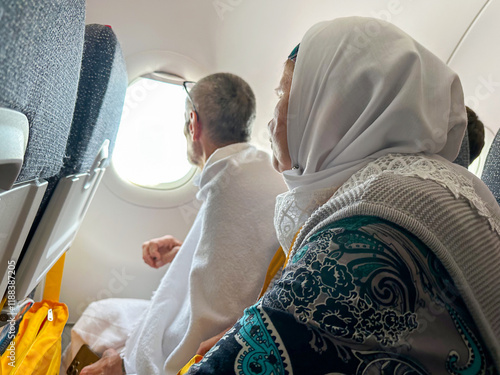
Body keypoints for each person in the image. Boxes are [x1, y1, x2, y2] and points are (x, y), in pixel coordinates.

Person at [184, 18, 500, 374]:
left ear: (328, 108)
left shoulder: (360, 234)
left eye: (284, 95)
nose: (272, 120)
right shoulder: (439, 188)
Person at [67, 73, 286, 374]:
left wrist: (129, 366)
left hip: (213, 345)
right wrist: (182, 252)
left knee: (95, 322)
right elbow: (236, 263)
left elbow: (206, 322)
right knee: (99, 313)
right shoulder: (255, 167)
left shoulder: (226, 178)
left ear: (193, 124)